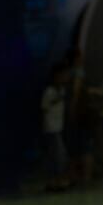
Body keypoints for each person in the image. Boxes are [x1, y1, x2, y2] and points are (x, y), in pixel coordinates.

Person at [40, 61, 70, 192]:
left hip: (58, 127)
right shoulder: (50, 91)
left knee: (57, 156)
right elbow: (44, 108)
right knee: (57, 156)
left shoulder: (62, 90)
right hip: (51, 128)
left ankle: (55, 181)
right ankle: (54, 181)